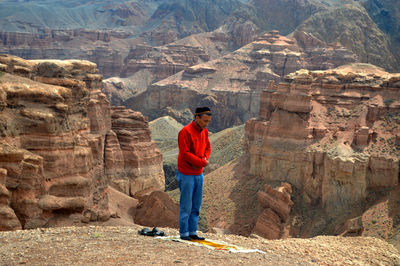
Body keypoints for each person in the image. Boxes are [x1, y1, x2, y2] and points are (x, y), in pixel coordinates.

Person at [177, 107, 212, 240]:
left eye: (208, 121)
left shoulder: (204, 131)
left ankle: (193, 232)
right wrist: (202, 162)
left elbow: (208, 147)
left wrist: (204, 158)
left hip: (199, 174)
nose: (206, 124)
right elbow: (185, 154)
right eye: (205, 121)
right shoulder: (185, 132)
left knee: (196, 205)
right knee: (186, 205)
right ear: (197, 118)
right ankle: (184, 233)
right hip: (186, 174)